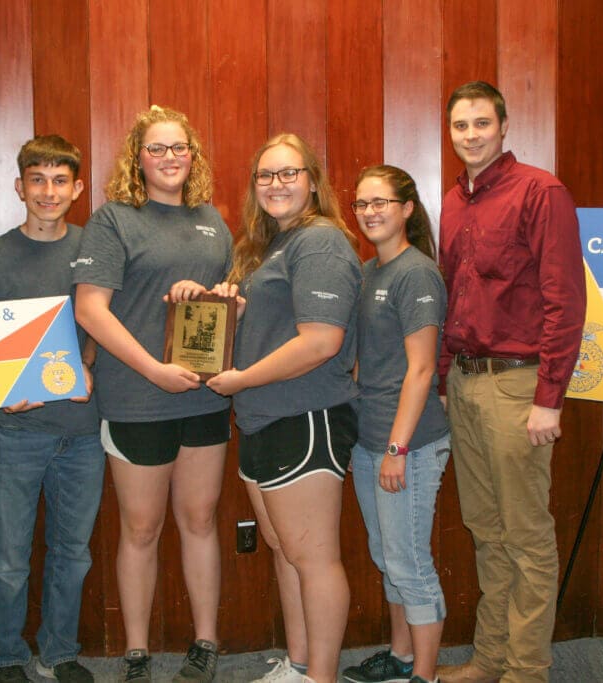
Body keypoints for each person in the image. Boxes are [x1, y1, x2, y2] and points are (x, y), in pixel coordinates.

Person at [433, 82, 586, 683]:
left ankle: (526, 670)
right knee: (485, 531)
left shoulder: (541, 192)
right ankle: (490, 659)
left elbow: (564, 303)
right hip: (467, 385)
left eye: (480, 124)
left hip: (519, 388)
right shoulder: (453, 200)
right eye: (460, 126)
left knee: (524, 535)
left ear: (503, 126)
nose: (470, 135)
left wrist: (549, 399)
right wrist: (446, 379)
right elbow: (453, 297)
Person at [73, 106, 232, 683]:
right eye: (157, 148)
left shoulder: (213, 219)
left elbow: (226, 303)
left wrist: (223, 298)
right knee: (140, 528)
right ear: (137, 158)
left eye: (179, 147)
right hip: (138, 399)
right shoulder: (114, 219)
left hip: (205, 398)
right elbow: (90, 309)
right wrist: (152, 370)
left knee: (201, 519)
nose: (170, 158)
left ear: (193, 155)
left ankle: (205, 642)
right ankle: (136, 652)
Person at [206, 133, 361, 683]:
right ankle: (298, 667)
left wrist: (242, 377)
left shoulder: (317, 242)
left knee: (313, 557)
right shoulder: (270, 244)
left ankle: (320, 677)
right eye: (265, 175)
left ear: (313, 180)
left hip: (305, 415)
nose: (276, 184)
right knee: (286, 550)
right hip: (264, 415)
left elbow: (321, 340)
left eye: (288, 173)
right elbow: (276, 325)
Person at [0, 135, 104, 683]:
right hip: (16, 430)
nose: (47, 192)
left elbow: (99, 326)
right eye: (37, 180)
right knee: (9, 555)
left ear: (76, 189)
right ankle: (8, 655)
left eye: (59, 181)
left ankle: (59, 652)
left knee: (72, 552)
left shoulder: (93, 249)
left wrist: (89, 363)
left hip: (80, 430)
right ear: (19, 187)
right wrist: (1, 388)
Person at [340, 166, 450, 683]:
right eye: (362, 204)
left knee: (409, 562)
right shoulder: (367, 272)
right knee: (387, 556)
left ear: (407, 208)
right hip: (369, 438)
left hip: (408, 443)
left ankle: (424, 674)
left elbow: (423, 368)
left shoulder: (416, 272)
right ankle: (401, 656)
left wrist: (397, 449)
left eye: (381, 202)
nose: (370, 212)